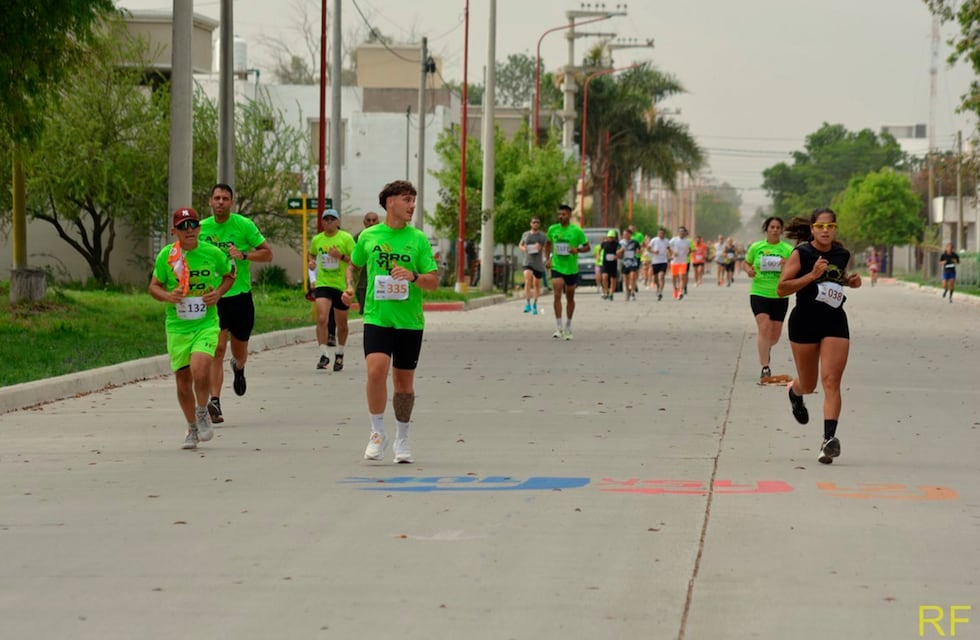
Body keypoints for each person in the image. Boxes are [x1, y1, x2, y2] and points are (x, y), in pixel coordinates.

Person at [342, 180, 438, 464]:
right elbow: (353, 265)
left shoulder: (418, 239)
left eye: (413, 200)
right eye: (407, 200)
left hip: (409, 321)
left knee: (403, 384)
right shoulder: (369, 236)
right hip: (377, 316)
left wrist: (413, 276)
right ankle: (377, 433)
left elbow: (433, 281)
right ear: (390, 202)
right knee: (376, 371)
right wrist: (349, 288)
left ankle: (402, 438)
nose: (412, 206)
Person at [777, 208, 862, 465]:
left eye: (830, 226)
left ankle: (828, 441)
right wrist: (811, 275)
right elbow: (782, 288)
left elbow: (835, 279)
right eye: (821, 226)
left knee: (831, 381)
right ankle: (795, 392)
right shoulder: (801, 253)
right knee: (809, 384)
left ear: (835, 229)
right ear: (812, 229)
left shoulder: (841, 253)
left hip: (834, 321)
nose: (826, 231)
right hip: (804, 322)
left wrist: (850, 282)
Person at [148, 208, 235, 449]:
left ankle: (202, 411)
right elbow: (153, 287)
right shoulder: (168, 256)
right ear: (173, 231)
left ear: (199, 228)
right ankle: (192, 428)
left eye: (193, 225)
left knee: (200, 368)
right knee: (183, 382)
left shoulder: (212, 253)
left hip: (206, 323)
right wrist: (168, 296)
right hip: (178, 326)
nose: (189, 230)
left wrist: (218, 293)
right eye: (183, 226)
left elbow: (230, 274)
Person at [199, 184, 273, 425]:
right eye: (217, 198)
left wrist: (244, 255)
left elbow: (267, 254)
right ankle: (215, 401)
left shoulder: (244, 225)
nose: (220, 202)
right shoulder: (201, 229)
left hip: (240, 296)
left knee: (238, 351)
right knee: (218, 349)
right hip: (214, 296)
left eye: (225, 198)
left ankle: (239, 367)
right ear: (210, 201)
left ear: (231, 202)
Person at [744, 217, 794, 380]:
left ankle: (766, 348)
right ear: (766, 229)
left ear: (781, 230)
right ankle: (765, 367)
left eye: (778, 227)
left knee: (774, 336)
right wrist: (749, 270)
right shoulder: (756, 247)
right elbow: (746, 263)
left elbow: (795, 269)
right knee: (764, 327)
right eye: (772, 227)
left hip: (780, 294)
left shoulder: (788, 249)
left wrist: (787, 264)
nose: (775, 230)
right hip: (759, 292)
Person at [309, 208, 355, 371]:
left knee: (342, 324)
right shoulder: (317, 239)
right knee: (322, 318)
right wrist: (311, 264)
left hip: (341, 285)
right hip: (323, 283)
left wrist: (340, 256)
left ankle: (340, 353)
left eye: (332, 219)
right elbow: (312, 254)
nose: (329, 222)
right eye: (326, 219)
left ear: (338, 222)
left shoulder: (346, 238)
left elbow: (356, 262)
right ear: (322, 222)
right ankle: (324, 355)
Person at [544, 204, 590, 340]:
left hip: (571, 268)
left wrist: (577, 250)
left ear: (569, 215)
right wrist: (548, 259)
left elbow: (587, 247)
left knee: (570, 297)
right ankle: (558, 327)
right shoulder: (552, 229)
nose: (560, 217)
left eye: (563, 214)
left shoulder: (577, 231)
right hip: (557, 266)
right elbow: (548, 244)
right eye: (559, 214)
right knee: (557, 293)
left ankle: (568, 326)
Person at [518, 216, 547, 314]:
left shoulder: (542, 236)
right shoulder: (525, 234)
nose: (536, 224)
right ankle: (527, 303)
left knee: (536, 284)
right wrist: (523, 248)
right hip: (527, 261)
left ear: (539, 224)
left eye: (537, 222)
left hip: (538, 263)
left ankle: (535, 304)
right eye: (534, 222)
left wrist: (540, 248)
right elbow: (520, 245)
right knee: (527, 280)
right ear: (530, 224)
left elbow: (546, 248)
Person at [354, 211, 381, 313]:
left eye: (374, 220)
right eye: (368, 220)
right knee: (366, 313)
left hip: (380, 282)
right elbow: (352, 259)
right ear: (364, 222)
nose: (371, 223)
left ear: (378, 222)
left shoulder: (383, 236)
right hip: (362, 284)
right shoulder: (359, 237)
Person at [667, 226, 692, 299]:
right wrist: (672, 253)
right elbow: (668, 247)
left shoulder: (687, 241)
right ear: (678, 232)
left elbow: (690, 249)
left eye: (683, 232)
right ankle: (675, 289)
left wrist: (688, 254)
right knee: (674, 277)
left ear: (685, 233)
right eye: (680, 232)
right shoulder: (674, 240)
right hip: (674, 262)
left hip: (683, 262)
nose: (681, 233)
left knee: (682, 277)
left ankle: (680, 291)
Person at [620, 227, 642, 301]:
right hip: (625, 263)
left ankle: (632, 292)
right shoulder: (621, 242)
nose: (625, 235)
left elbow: (639, 250)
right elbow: (617, 253)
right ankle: (627, 291)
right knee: (626, 279)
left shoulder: (635, 242)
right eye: (624, 234)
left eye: (626, 234)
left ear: (630, 234)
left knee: (632, 277)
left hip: (633, 262)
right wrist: (621, 251)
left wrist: (638, 252)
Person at [647, 227, 669, 300]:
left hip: (663, 261)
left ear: (664, 234)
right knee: (656, 278)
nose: (661, 234)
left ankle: (660, 291)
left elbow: (669, 249)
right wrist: (653, 251)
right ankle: (658, 287)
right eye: (659, 233)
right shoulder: (654, 240)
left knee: (662, 276)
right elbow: (648, 248)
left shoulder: (666, 241)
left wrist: (670, 255)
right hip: (655, 261)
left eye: (662, 233)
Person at [599, 229, 621, 300]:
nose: (610, 238)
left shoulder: (617, 244)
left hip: (613, 263)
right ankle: (606, 291)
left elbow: (620, 252)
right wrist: (598, 256)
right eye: (609, 237)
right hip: (605, 263)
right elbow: (599, 250)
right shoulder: (604, 243)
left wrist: (617, 256)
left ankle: (612, 293)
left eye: (612, 237)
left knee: (613, 278)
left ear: (614, 237)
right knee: (604, 277)